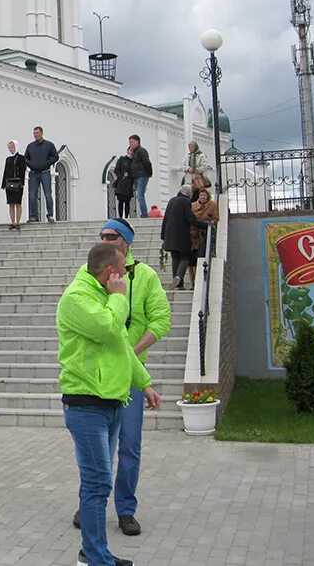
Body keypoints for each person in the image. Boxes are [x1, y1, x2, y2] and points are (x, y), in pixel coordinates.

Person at [57, 244, 161, 566]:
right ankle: (93, 556)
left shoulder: (104, 298)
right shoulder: (77, 299)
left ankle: (95, 552)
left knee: (98, 481)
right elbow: (108, 329)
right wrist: (118, 297)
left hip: (113, 400)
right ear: (109, 273)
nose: (128, 275)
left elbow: (123, 348)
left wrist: (143, 383)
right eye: (124, 270)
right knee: (97, 482)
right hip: (86, 404)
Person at [71, 220, 170, 538]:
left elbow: (162, 319)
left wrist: (132, 349)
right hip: (95, 377)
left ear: (126, 242)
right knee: (98, 447)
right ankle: (91, 502)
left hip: (129, 373)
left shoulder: (145, 276)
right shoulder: (92, 275)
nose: (105, 239)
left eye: (111, 236)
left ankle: (125, 509)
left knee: (128, 445)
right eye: (101, 236)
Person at [161, 184, 204, 290]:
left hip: (169, 234)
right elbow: (190, 218)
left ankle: (178, 284)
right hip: (181, 234)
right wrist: (204, 225)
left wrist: (163, 235)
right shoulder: (185, 202)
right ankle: (179, 277)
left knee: (175, 257)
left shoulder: (171, 201)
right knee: (185, 256)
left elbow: (165, 218)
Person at [23, 126, 59, 223]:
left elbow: (56, 157)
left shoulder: (49, 145)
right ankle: (33, 216)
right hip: (33, 173)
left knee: (48, 195)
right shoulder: (30, 146)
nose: (35, 135)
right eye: (34, 133)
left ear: (42, 133)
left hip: (45, 173)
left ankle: (50, 215)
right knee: (32, 195)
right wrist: (32, 165)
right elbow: (25, 158)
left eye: (37, 133)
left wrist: (47, 163)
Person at [190, 188, 220, 282]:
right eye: (201, 195)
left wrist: (208, 223)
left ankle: (199, 279)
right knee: (192, 259)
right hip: (193, 234)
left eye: (204, 195)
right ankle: (193, 281)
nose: (202, 197)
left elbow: (216, 218)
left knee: (201, 254)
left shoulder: (212, 205)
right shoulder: (193, 205)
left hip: (204, 233)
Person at [1, 139, 26, 229]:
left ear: (16, 147)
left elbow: (23, 170)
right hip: (9, 183)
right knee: (11, 203)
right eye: (9, 148)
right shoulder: (8, 159)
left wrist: (22, 182)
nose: (10, 149)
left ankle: (18, 222)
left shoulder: (21, 158)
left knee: (18, 203)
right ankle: (12, 222)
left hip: (18, 183)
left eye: (12, 147)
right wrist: (3, 184)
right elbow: (5, 171)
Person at [127, 135, 152, 218]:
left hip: (142, 175)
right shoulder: (133, 153)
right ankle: (143, 213)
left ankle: (144, 215)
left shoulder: (142, 151)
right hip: (136, 176)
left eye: (132, 141)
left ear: (137, 141)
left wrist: (148, 173)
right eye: (129, 142)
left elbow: (147, 162)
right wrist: (130, 156)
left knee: (140, 195)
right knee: (140, 195)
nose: (130, 144)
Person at [111, 153, 133, 219]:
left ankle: (126, 217)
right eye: (130, 151)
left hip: (128, 184)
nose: (131, 153)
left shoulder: (133, 161)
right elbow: (116, 170)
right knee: (120, 201)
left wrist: (130, 178)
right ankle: (120, 217)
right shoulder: (122, 159)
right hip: (121, 184)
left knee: (127, 202)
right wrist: (121, 177)